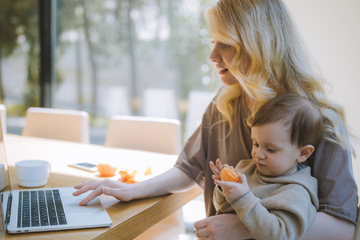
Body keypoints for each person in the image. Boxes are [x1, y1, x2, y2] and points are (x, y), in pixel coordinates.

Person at [73, 0, 358, 239]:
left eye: (226, 44)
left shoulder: (321, 121)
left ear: (259, 45)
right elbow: (189, 168)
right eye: (212, 42)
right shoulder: (224, 104)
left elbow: (342, 227)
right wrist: (133, 189)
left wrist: (249, 226)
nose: (212, 55)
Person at [211, 93, 322, 240]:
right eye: (256, 144)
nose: (258, 154)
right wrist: (223, 188)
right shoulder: (246, 168)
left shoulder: (297, 193)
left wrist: (243, 198)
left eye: (270, 149)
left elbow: (280, 236)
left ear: (303, 153)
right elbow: (221, 208)